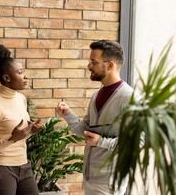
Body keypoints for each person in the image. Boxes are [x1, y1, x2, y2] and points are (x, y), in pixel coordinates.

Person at [56, 40, 133, 195]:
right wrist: (69, 115)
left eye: (94, 62)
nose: (89, 66)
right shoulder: (97, 95)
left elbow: (137, 142)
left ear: (110, 65)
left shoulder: (128, 97)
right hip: (90, 179)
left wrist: (101, 142)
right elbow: (86, 131)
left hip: (110, 182)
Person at [0, 44, 41, 195]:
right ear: (6, 78)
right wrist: (12, 139)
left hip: (23, 165)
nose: (25, 76)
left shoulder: (21, 99)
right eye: (20, 72)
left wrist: (31, 131)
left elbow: (19, 135)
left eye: (23, 71)